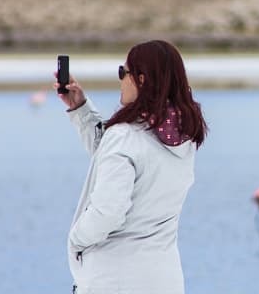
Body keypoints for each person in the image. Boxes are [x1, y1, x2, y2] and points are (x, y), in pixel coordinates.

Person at [54, 40, 207, 294]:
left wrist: (75, 241)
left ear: (142, 79)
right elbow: (116, 156)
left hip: (113, 280)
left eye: (123, 72)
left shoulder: (125, 137)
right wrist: (81, 110)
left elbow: (108, 211)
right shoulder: (184, 138)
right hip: (165, 280)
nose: (121, 80)